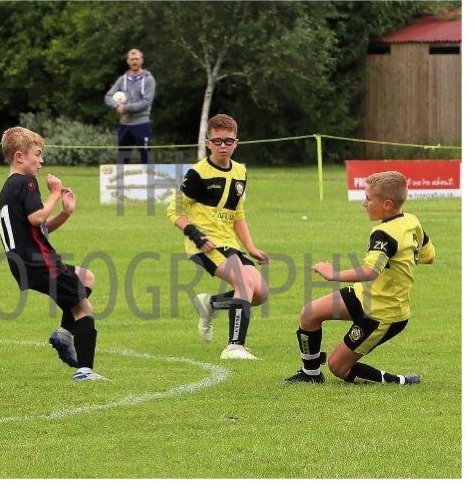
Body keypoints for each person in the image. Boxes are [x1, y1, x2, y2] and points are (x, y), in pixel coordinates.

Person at [284, 171, 436, 385]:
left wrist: (332, 274)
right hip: (363, 295)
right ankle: (310, 374)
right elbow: (429, 255)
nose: (364, 203)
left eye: (368, 198)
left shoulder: (384, 234)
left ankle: (401, 381)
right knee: (309, 314)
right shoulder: (412, 222)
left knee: (338, 367)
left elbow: (370, 271)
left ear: (387, 204)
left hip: (383, 313)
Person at [0, 126, 107, 381]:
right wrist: (55, 192)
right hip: (39, 261)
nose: (41, 160)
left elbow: (40, 229)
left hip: (24, 262)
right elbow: (37, 218)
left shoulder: (8, 188)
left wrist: (65, 213)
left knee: (86, 277)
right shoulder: (26, 182)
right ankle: (85, 371)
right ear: (19, 157)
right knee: (83, 307)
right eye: (37, 154)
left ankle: (64, 335)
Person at [167, 114, 270, 360]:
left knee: (260, 293)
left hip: (229, 243)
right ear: (208, 143)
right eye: (217, 141)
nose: (223, 146)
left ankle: (211, 304)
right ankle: (234, 347)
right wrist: (196, 235)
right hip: (205, 245)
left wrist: (250, 247)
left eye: (228, 141)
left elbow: (237, 214)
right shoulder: (197, 174)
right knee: (244, 283)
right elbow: (174, 211)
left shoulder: (240, 171)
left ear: (236, 143)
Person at [105, 48, 156, 164]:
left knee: (146, 157)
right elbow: (108, 97)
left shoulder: (149, 79)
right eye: (132, 59)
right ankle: (122, 177)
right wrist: (116, 105)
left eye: (137, 59)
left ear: (141, 60)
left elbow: (146, 102)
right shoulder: (122, 79)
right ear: (128, 61)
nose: (134, 62)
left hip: (142, 123)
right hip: (124, 124)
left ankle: (148, 176)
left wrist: (126, 108)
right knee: (122, 159)